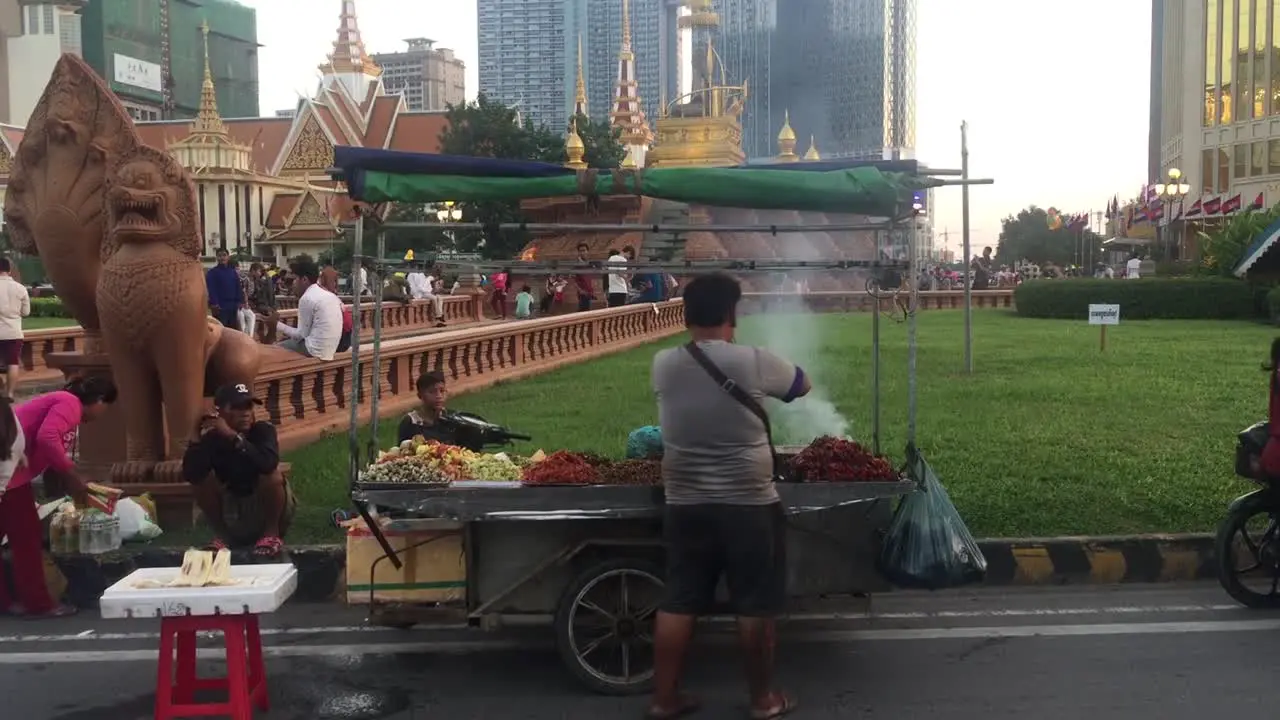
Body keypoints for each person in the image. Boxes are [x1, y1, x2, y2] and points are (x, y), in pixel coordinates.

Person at [648, 273, 811, 720]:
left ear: (685, 314)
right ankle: (763, 699)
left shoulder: (663, 363)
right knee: (755, 603)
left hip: (684, 502)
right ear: (732, 313)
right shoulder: (754, 361)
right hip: (749, 504)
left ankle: (664, 700)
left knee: (679, 599)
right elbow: (803, 386)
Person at [1, 377, 117, 618]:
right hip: (10, 474)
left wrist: (64, 476)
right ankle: (38, 604)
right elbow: (47, 438)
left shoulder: (60, 402)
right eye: (105, 408)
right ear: (98, 401)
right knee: (26, 540)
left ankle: (7, 601)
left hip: (13, 473)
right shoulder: (70, 403)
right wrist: (72, 473)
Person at [182, 383, 294, 558]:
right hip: (233, 509)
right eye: (237, 407)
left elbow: (268, 464)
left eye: (248, 406)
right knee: (202, 481)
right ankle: (223, 537)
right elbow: (191, 475)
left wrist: (235, 438)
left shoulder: (263, 431)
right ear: (220, 413)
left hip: (264, 507)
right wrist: (195, 436)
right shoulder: (213, 439)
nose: (245, 413)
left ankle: (271, 535)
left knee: (272, 475)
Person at [260, 257, 343, 361]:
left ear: (304, 279)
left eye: (293, 280)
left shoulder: (307, 298)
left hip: (314, 350)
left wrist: (276, 325)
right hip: (330, 349)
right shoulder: (328, 295)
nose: (291, 285)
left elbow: (300, 335)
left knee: (272, 349)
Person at [397, 371, 460, 445]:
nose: (438, 396)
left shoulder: (452, 418)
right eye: (432, 392)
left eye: (442, 391)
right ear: (420, 395)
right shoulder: (410, 422)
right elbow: (403, 450)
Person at [0, 258, 31, 399]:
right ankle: (10, 393)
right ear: (9, 270)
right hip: (13, 332)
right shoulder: (20, 288)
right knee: (12, 363)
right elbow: (26, 312)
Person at [206, 248, 244, 329]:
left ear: (228, 257)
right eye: (219, 256)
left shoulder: (233, 272)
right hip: (220, 307)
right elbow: (211, 289)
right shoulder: (212, 273)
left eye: (224, 255)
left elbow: (238, 287)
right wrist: (215, 303)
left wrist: (240, 301)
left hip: (233, 306)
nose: (222, 258)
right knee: (221, 331)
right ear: (216, 258)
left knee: (233, 331)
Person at [246, 262, 276, 341]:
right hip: (261, 305)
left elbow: (270, 293)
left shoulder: (265, 279)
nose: (258, 273)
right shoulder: (257, 279)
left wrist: (270, 307)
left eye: (259, 271)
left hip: (265, 305)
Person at [573, 242, 596, 312]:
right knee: (584, 313)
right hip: (583, 294)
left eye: (584, 250)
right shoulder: (577, 264)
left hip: (590, 293)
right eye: (580, 251)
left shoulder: (589, 264)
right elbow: (573, 280)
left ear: (587, 251)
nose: (582, 253)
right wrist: (580, 291)